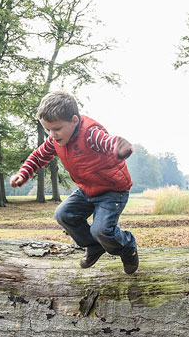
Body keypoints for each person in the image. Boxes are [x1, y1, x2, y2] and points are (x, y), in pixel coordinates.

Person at [10, 91, 139, 274]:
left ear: (74, 121)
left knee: (101, 230)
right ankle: (94, 246)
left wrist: (119, 146)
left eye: (57, 129)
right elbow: (38, 156)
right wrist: (23, 174)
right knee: (63, 214)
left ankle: (127, 247)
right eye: (48, 130)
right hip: (87, 189)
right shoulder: (55, 141)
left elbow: (107, 141)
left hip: (112, 190)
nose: (52, 135)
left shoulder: (90, 134)